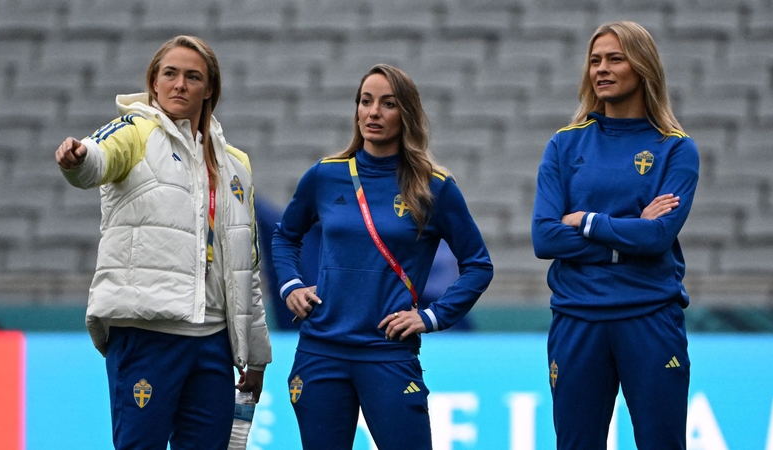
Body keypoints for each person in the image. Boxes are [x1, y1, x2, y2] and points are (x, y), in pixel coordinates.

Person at [54, 35, 271, 450]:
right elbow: (96, 158)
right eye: (170, 74)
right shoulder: (134, 131)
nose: (180, 84)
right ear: (153, 82)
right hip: (147, 332)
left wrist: (256, 354)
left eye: (193, 77)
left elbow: (248, 268)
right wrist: (78, 159)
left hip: (214, 342)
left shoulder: (236, 164)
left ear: (209, 89)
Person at [271, 64, 493, 449]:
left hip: (388, 353)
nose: (373, 112)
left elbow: (478, 265)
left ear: (406, 113)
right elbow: (285, 236)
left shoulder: (434, 187)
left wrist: (432, 317)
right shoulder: (325, 175)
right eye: (366, 101)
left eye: (387, 104)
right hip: (321, 350)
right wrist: (291, 284)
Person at [531, 21, 699, 449]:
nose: (601, 69)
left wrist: (588, 221)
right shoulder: (564, 145)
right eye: (595, 61)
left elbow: (658, 237)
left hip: (649, 316)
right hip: (577, 317)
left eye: (615, 59)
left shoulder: (676, 148)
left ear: (643, 67)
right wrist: (629, 233)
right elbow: (545, 238)